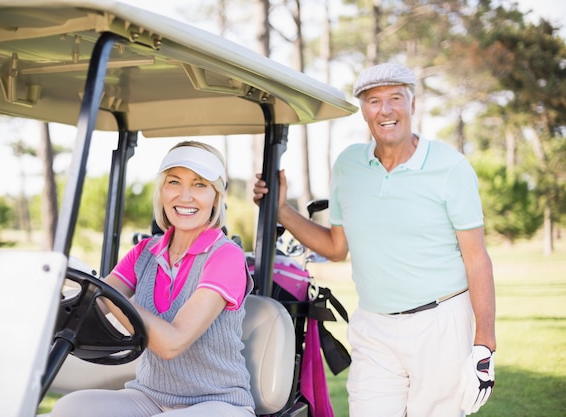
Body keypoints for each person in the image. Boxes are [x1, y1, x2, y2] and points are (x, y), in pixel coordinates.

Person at [253, 62, 496, 417]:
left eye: (395, 98)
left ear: (413, 105)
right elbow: (337, 248)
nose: (385, 110)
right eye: (373, 101)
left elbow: (477, 259)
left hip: (440, 324)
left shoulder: (451, 167)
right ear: (364, 111)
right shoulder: (348, 165)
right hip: (374, 325)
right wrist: (283, 211)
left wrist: (485, 345)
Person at [53, 140, 255, 417]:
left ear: (216, 197)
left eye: (199, 185)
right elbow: (94, 301)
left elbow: (172, 343)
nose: (184, 197)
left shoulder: (225, 256)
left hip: (218, 403)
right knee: (69, 408)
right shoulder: (144, 252)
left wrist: (108, 295)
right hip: (149, 397)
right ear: (162, 191)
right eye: (174, 182)